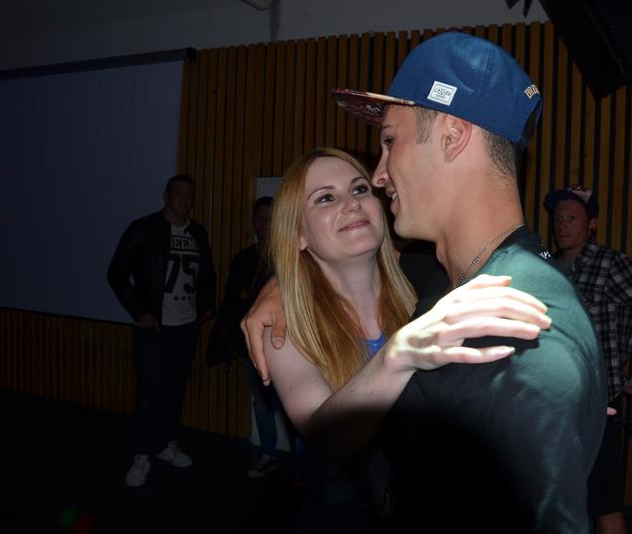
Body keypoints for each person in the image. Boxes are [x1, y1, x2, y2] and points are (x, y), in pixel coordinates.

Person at [246, 31, 606, 532]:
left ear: (453, 136)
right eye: (325, 199)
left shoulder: (519, 329)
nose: (378, 176)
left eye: (389, 141)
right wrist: (283, 287)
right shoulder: (443, 279)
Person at [263, 146, 552, 533]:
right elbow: (329, 439)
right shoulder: (284, 327)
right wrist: (397, 355)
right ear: (298, 233)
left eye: (360, 189)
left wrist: (555, 396)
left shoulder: (428, 282)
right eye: (326, 198)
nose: (351, 203)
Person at [544, 185, 632, 534]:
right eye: (558, 218)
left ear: (593, 224)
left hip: (597, 404)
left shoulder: (610, 264)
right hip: (553, 399)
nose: (562, 225)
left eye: (573, 218)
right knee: (556, 498)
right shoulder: (549, 265)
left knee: (604, 503)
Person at [107, 174, 216, 488]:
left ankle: (166, 444)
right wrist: (139, 312)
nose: (185, 199)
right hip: (154, 327)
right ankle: (141, 455)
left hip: (186, 327)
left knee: (174, 390)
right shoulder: (143, 228)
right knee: (149, 392)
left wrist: (207, 306)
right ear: (166, 196)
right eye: (179, 192)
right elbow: (116, 272)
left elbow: (207, 274)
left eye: (190, 194)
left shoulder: (198, 233)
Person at [207, 196, 286, 478]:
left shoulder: (289, 259)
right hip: (251, 346)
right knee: (262, 401)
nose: (263, 223)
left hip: (286, 344)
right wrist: (229, 346)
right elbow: (231, 305)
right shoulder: (242, 259)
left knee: (296, 402)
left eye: (269, 218)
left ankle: (304, 468)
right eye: (259, 217)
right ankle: (268, 454)